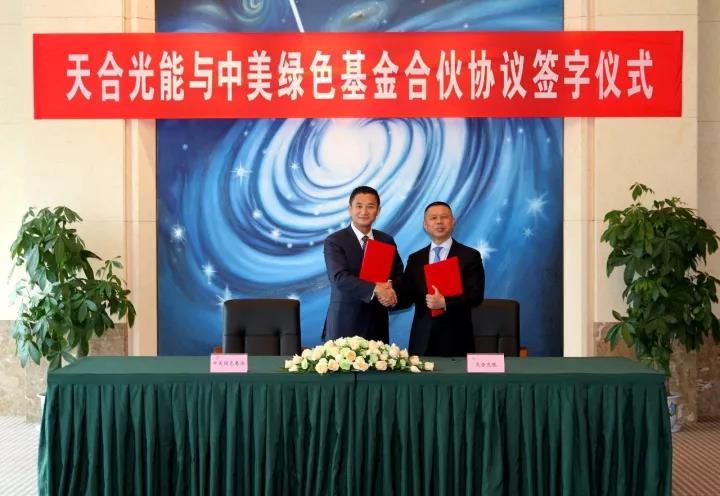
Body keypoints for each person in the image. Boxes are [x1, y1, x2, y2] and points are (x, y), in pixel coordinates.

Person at [396, 201, 485, 356]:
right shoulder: (416, 259)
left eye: (444, 217)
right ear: (425, 225)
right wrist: (390, 295)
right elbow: (407, 297)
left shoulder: (470, 256)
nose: (439, 221)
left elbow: (475, 296)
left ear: (453, 221)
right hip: (422, 340)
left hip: (456, 338)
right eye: (433, 218)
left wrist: (445, 302)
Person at [322, 186, 404, 342]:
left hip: (377, 324)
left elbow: (398, 274)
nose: (364, 212)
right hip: (344, 323)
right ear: (350, 209)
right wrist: (377, 289)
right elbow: (339, 277)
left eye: (370, 206)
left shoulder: (386, 240)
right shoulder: (335, 241)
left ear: (378, 211)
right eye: (359, 206)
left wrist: (390, 287)